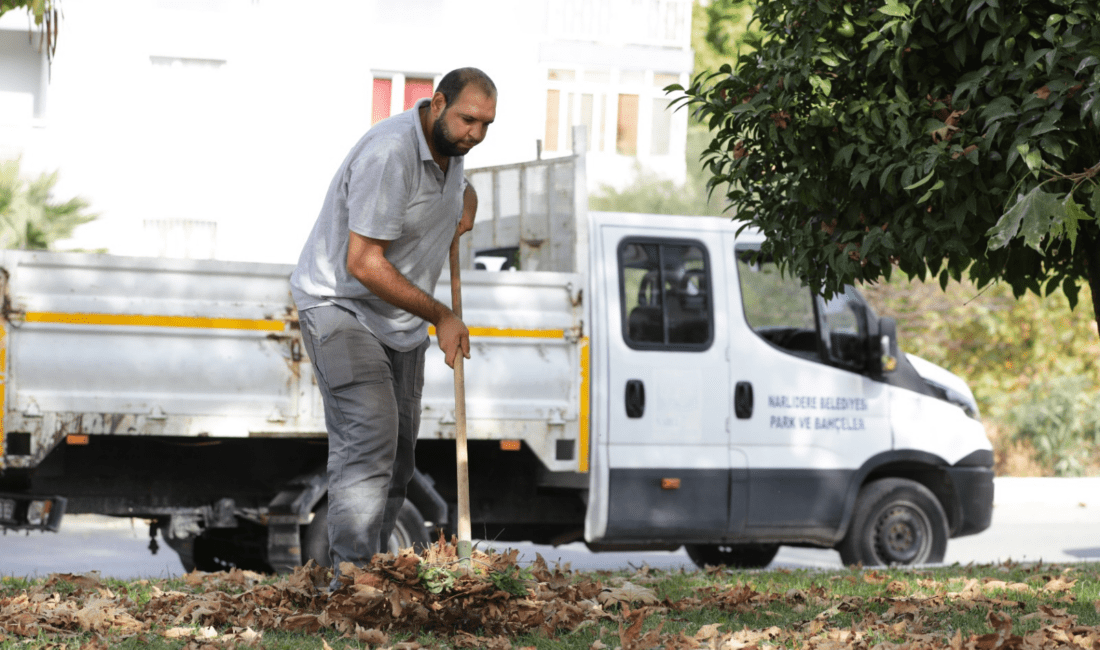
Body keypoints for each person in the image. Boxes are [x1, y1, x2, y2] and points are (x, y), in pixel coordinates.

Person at [289, 68, 497, 578]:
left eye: (486, 124)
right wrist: (442, 315)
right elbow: (363, 262)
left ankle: (376, 575)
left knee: (400, 461)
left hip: (398, 323)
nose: (475, 133)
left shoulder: (450, 153)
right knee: (371, 441)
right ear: (437, 103)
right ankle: (353, 582)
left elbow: (451, 188)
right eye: (468, 119)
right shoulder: (389, 153)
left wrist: (465, 199)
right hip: (341, 306)